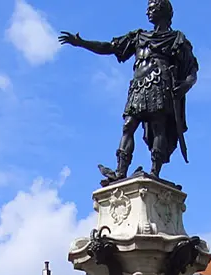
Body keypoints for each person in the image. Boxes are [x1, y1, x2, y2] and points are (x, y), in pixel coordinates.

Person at [59, 0, 198, 183]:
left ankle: (154, 172)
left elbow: (192, 71)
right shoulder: (139, 37)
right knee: (128, 125)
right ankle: (120, 172)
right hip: (139, 85)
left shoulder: (176, 39)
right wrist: (82, 43)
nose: (148, 12)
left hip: (160, 83)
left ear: (162, 11)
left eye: (152, 9)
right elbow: (109, 47)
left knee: (158, 126)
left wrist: (185, 86)